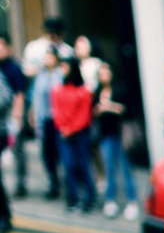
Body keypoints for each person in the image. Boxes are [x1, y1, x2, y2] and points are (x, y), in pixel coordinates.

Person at [93, 63, 138, 219]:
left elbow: (128, 109)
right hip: (105, 135)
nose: (103, 76)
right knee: (109, 170)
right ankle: (110, 201)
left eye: (106, 72)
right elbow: (94, 111)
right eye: (101, 74)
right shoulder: (98, 91)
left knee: (126, 170)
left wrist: (109, 107)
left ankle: (132, 202)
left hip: (121, 134)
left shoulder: (120, 89)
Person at [51, 58, 95, 212]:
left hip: (80, 133)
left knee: (83, 165)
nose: (62, 69)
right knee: (67, 165)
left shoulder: (83, 90)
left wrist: (71, 128)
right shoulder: (57, 89)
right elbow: (56, 111)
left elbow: (84, 114)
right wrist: (63, 127)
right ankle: (72, 198)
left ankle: (90, 198)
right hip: (63, 133)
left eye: (65, 66)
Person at [30, 46, 64, 198]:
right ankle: (53, 183)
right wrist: (33, 114)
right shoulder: (41, 76)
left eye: (50, 57)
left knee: (61, 153)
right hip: (45, 120)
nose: (47, 60)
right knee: (47, 154)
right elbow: (35, 97)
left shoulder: (61, 74)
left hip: (59, 120)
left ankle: (68, 182)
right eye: (46, 57)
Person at [0, 36, 27, 199]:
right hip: (2, 121)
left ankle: (20, 183)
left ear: (9, 49)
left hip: (11, 117)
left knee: (17, 151)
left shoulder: (13, 68)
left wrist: (17, 117)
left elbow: (19, 94)